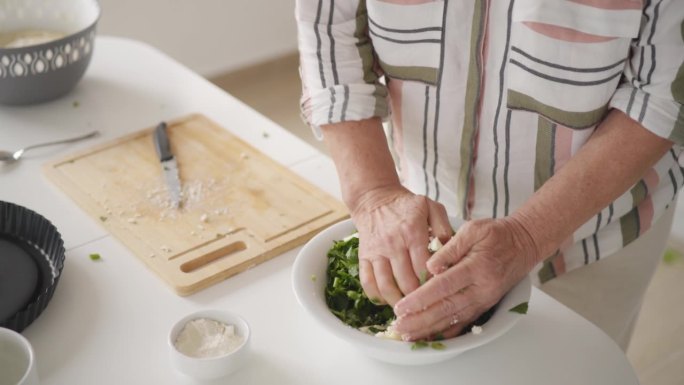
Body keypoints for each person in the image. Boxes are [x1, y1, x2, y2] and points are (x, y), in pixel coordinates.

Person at [295, 0, 684, 350]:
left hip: (595, 236)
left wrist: (528, 236)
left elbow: (663, 93)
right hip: (427, 219)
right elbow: (330, 26)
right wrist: (374, 193)